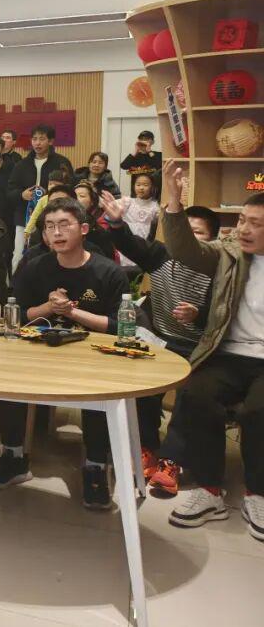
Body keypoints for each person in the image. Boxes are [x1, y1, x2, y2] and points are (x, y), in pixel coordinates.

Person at [0, 198, 129, 510]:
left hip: (91, 355)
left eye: (64, 225)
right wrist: (48, 307)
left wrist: (73, 313)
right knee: (4, 379)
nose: (56, 233)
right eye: (49, 227)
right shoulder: (35, 267)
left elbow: (120, 326)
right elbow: (16, 314)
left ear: (84, 229)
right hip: (40, 351)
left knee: (100, 390)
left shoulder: (109, 272)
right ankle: (13, 455)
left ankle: (96, 465)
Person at [159, 161, 264, 541]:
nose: (244, 229)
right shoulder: (229, 253)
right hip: (228, 353)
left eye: (256, 224)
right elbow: (185, 250)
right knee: (195, 393)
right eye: (243, 220)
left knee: (257, 410)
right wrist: (174, 202)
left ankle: (258, 493)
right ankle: (209, 490)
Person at [100, 189, 218, 495]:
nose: (188, 241)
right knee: (143, 386)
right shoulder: (162, 256)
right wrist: (116, 223)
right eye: (184, 233)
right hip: (161, 341)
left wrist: (199, 315)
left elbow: (224, 315)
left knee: (191, 395)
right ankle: (146, 448)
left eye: (198, 234)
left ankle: (172, 460)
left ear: (214, 241)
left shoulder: (218, 268)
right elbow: (130, 244)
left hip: (200, 348)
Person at [7, 124, 74, 270]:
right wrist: (22, 194)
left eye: (42, 139)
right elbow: (10, 191)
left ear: (50, 141)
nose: (37, 143)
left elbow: (70, 188)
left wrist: (51, 194)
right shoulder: (21, 165)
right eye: (34, 139)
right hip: (24, 217)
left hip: (54, 216)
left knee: (53, 253)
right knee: (19, 254)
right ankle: (17, 283)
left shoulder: (62, 162)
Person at [23, 169, 73, 243]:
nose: (52, 186)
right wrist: (27, 230)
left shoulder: (69, 199)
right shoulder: (43, 200)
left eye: (56, 185)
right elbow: (35, 215)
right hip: (45, 230)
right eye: (50, 184)